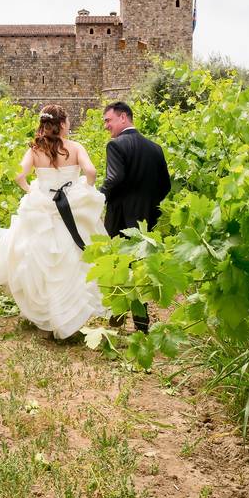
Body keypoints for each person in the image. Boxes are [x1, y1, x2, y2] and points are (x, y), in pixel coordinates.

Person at [0, 104, 109, 339]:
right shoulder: (75, 147)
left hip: (42, 205)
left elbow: (18, 175)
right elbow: (91, 172)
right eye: (68, 121)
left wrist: (31, 190)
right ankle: (69, 316)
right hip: (71, 205)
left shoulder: (34, 150)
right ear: (62, 124)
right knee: (73, 259)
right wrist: (85, 188)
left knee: (39, 260)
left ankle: (48, 317)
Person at [100, 101, 171, 333]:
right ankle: (138, 324)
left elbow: (114, 178)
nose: (106, 126)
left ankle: (121, 316)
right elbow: (165, 185)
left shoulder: (116, 146)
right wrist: (149, 206)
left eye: (108, 120)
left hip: (120, 218)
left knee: (119, 266)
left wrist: (97, 197)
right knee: (140, 270)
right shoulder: (155, 148)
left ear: (123, 117)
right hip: (145, 220)